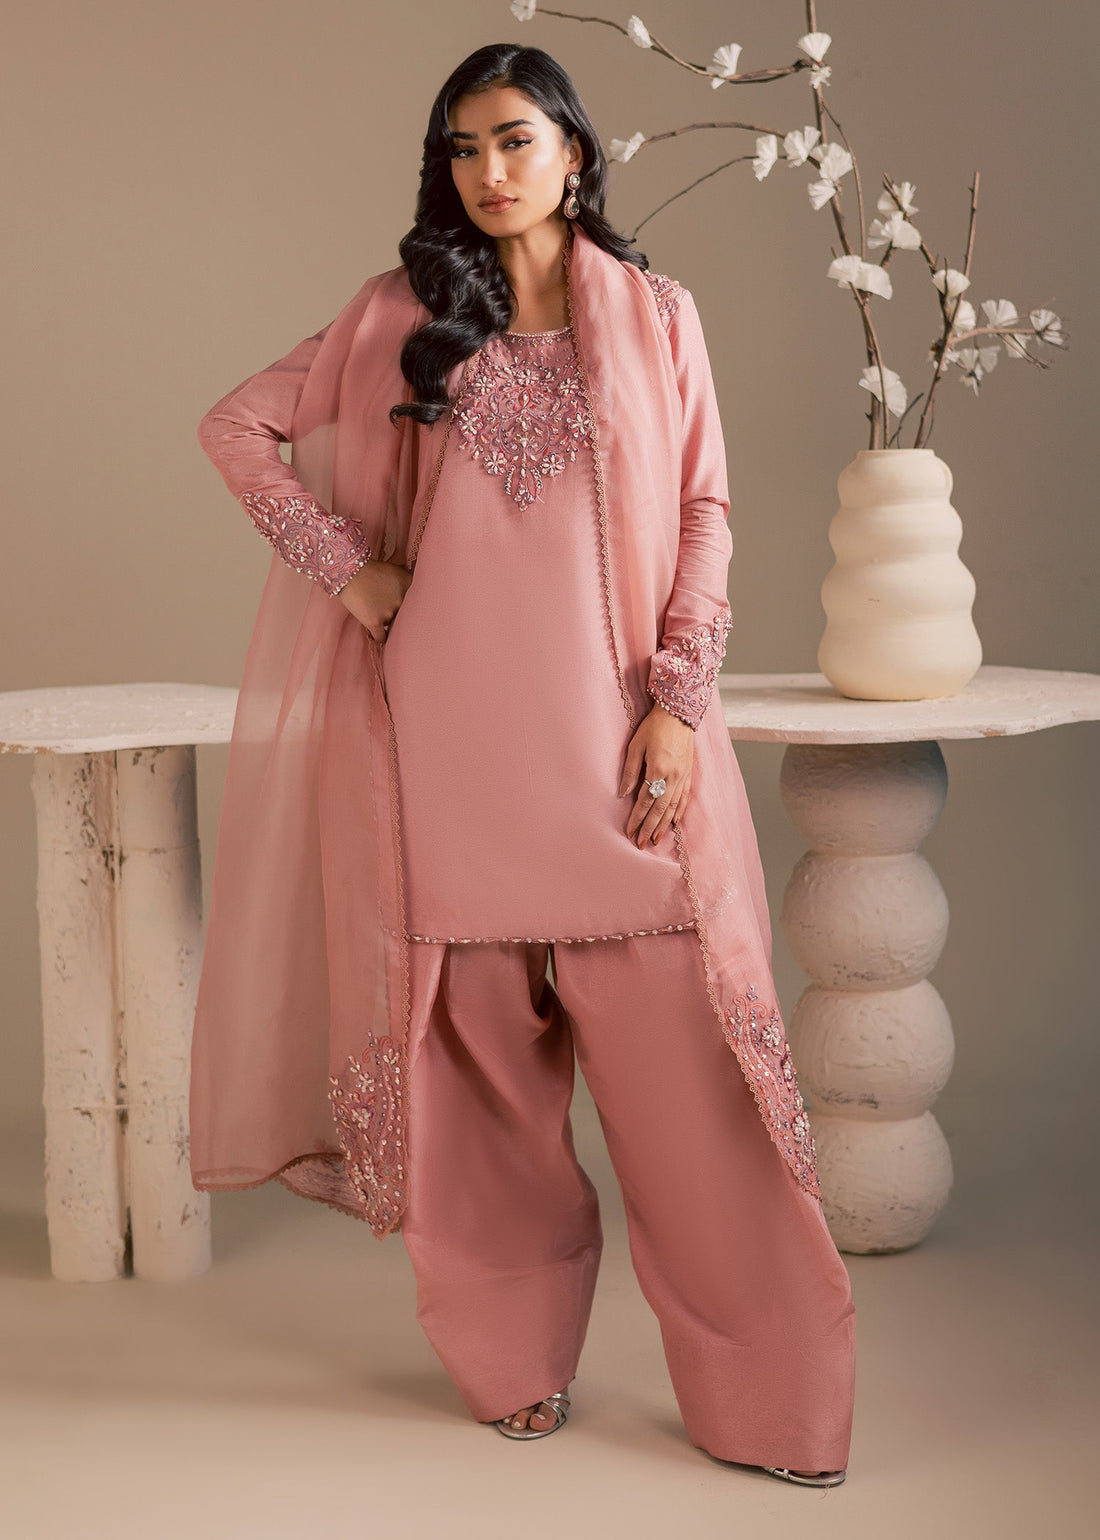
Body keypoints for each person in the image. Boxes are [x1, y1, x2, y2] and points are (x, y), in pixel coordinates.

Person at [190, 42, 856, 1487]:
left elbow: (706, 512)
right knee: (479, 1102)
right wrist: (352, 572)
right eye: (462, 148)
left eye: (513, 141)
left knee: (701, 1113)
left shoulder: (658, 316)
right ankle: (512, 1364)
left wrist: (679, 703)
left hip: (621, 758)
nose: (487, 173)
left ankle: (778, 1404)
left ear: (572, 151)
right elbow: (235, 428)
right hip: (449, 756)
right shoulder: (403, 317)